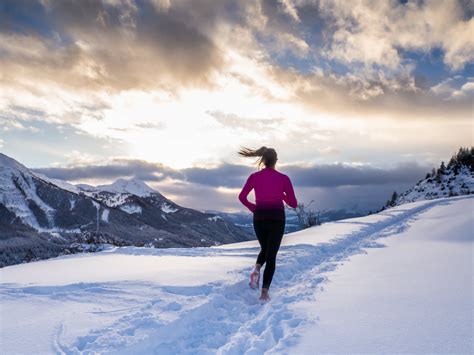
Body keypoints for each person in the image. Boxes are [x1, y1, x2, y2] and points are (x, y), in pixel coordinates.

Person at [237, 146, 298, 302]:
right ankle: (264, 292)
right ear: (276, 161)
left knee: (265, 248)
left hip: (259, 218)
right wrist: (282, 195)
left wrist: (254, 208)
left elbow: (242, 197)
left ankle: (257, 268)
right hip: (277, 218)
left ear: (263, 161)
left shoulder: (254, 177)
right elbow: (293, 204)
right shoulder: (284, 178)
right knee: (271, 255)